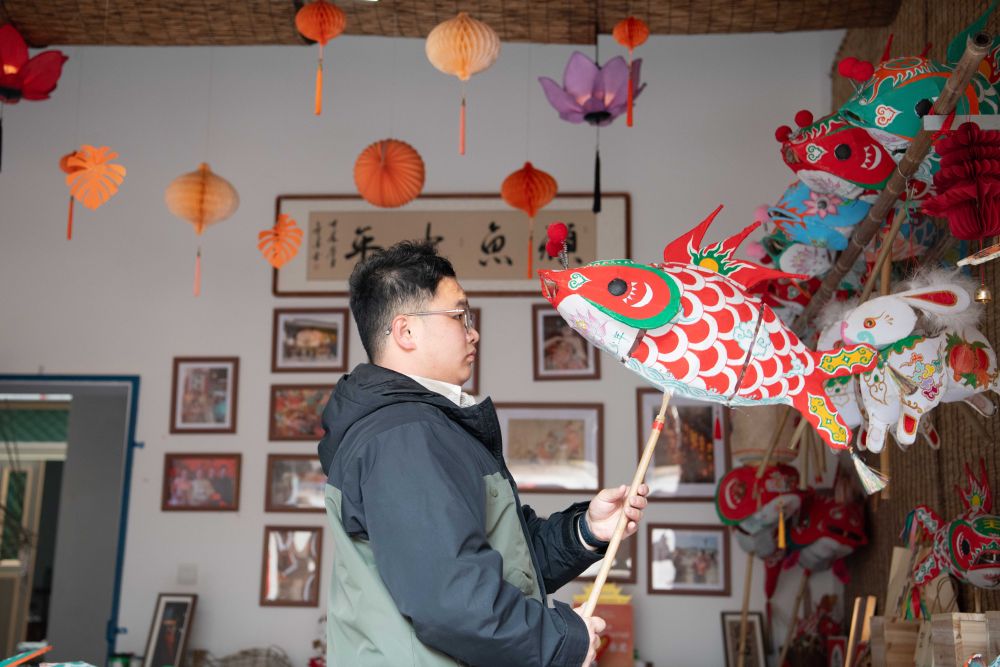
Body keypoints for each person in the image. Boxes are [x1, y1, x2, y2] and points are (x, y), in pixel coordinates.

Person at [318, 241, 649, 667]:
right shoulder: (403, 435)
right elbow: (453, 601)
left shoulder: (426, 426)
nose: (473, 332)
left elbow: (505, 561)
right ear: (406, 332)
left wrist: (586, 530)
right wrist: (562, 642)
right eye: (459, 316)